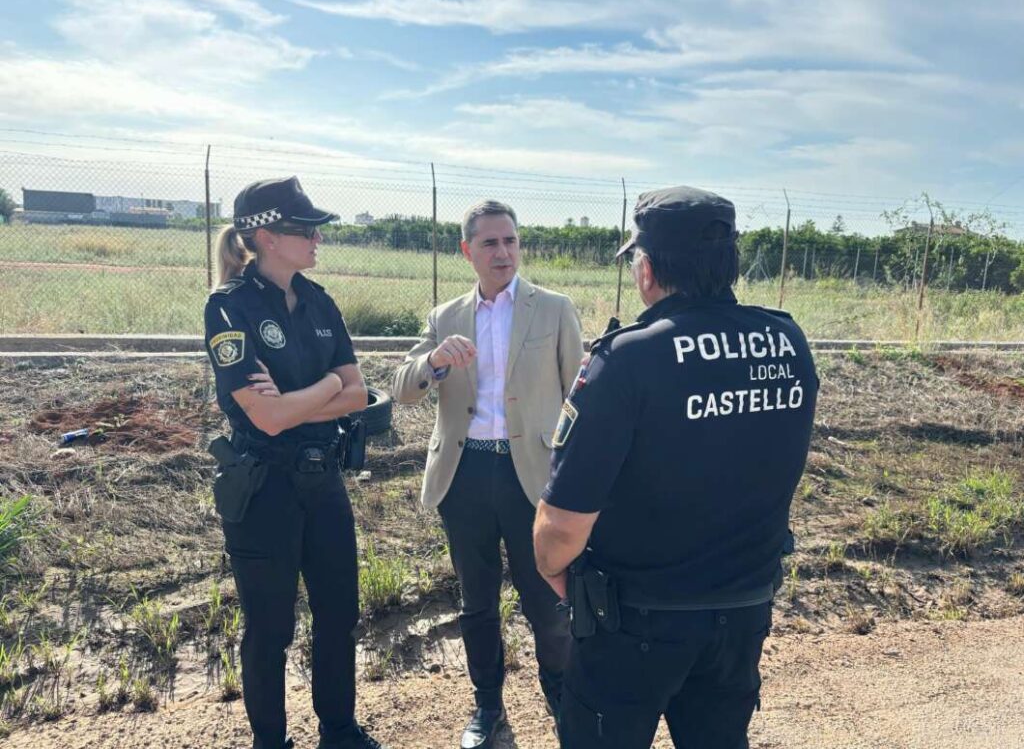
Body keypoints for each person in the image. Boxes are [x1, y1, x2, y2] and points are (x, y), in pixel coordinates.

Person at [534, 185, 819, 749]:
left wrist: (553, 571)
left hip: (634, 623)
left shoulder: (627, 358)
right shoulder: (787, 341)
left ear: (647, 268)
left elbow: (562, 528)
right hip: (742, 612)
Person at [203, 176, 387, 749]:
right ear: (265, 235)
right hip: (264, 490)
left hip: (323, 479)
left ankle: (338, 730)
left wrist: (305, 394)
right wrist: (323, 389)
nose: (315, 239)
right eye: (303, 229)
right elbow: (267, 420)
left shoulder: (319, 300)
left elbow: (359, 394)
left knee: (339, 614)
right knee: (270, 628)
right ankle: (271, 741)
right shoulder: (228, 308)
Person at [393, 200, 583, 748]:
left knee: (548, 604)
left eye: (511, 241)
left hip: (535, 479)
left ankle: (565, 707)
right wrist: (434, 362)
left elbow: (579, 398)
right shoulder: (445, 317)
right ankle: (488, 711)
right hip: (466, 475)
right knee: (476, 604)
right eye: (490, 243)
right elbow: (403, 387)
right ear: (467, 251)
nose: (503, 252)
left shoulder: (554, 308)